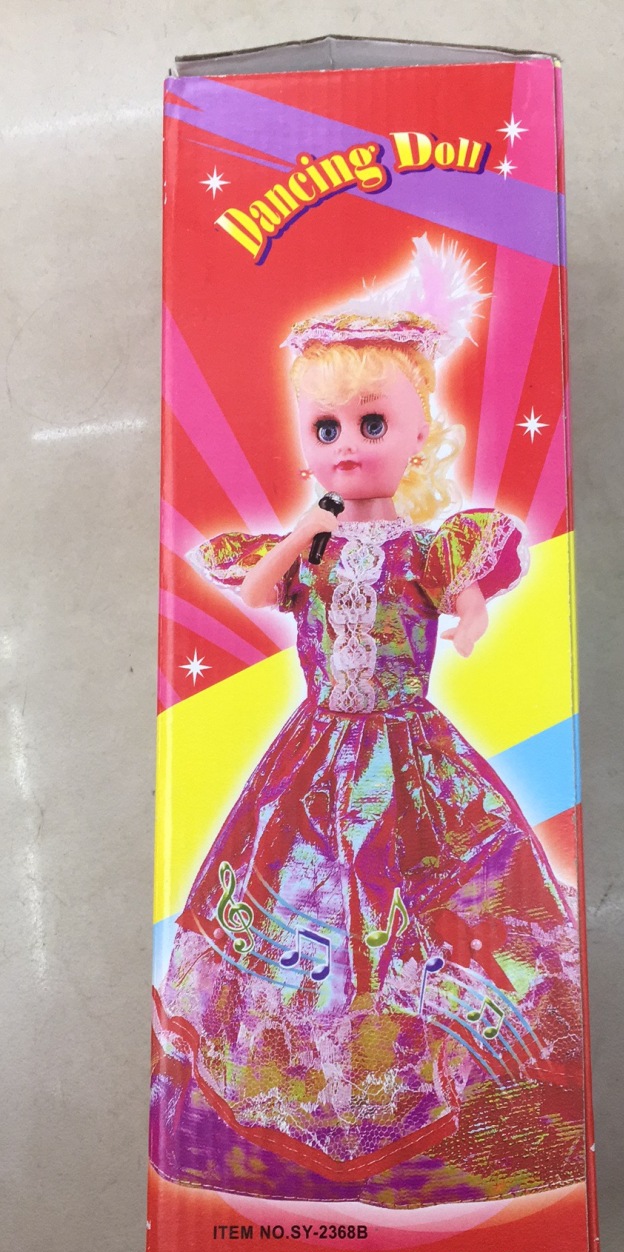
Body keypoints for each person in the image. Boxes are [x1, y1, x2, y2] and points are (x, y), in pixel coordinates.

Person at [151, 235, 583, 1202]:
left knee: (424, 904)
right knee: (306, 909)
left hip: (411, 750)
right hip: (314, 757)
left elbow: (464, 603)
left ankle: (432, 1089)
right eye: (326, 427)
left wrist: (468, 610)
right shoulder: (310, 549)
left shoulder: (428, 548)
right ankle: (317, 1087)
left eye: (372, 422)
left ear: (419, 434)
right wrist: (308, 529)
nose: (348, 443)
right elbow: (256, 591)